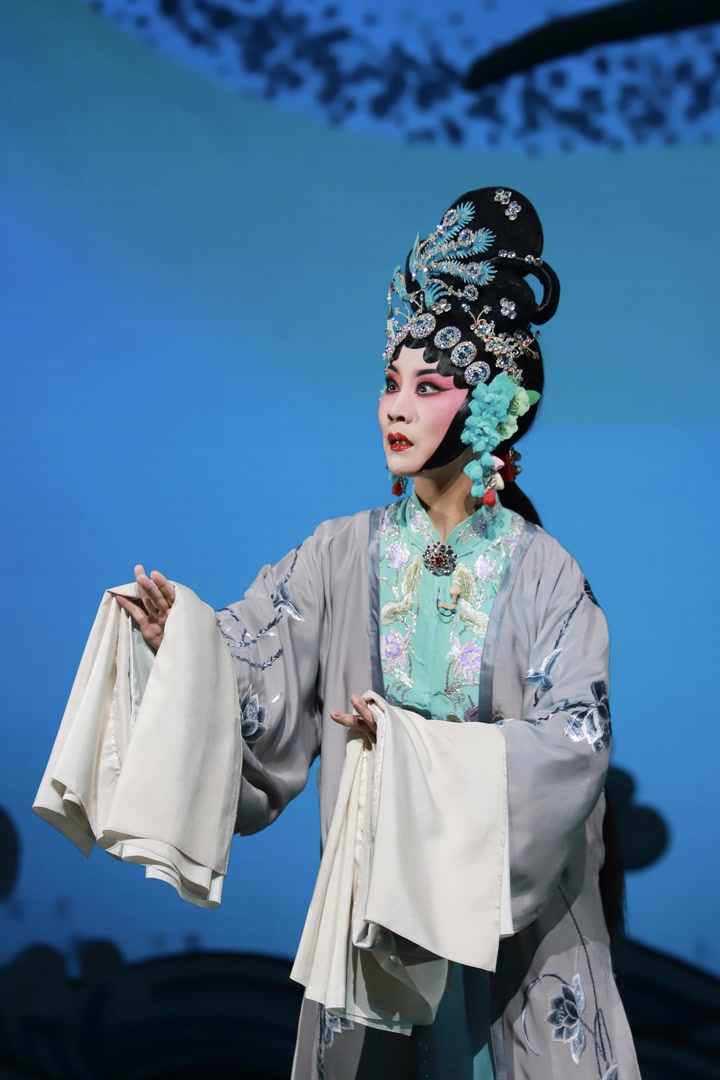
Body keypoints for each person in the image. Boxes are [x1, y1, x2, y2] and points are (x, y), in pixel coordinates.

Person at [114, 187, 640, 1079]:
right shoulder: (339, 554)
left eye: (427, 387)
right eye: (390, 384)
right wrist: (188, 646)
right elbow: (258, 660)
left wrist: (412, 752)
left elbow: (573, 748)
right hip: (374, 929)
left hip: (509, 948)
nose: (396, 407)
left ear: (490, 403)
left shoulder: (546, 575)